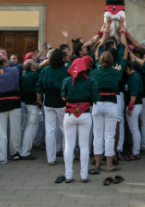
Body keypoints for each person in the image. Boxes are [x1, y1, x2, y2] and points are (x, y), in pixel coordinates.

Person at [59, 56, 99, 184]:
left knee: (69, 146)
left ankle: (68, 175)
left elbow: (63, 97)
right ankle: (84, 175)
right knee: (84, 146)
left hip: (70, 114)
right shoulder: (90, 81)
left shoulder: (67, 80)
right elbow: (96, 97)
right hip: (85, 114)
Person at [89, 52, 122, 173]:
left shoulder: (94, 72)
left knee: (97, 135)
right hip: (111, 103)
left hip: (97, 104)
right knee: (109, 135)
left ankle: (97, 163)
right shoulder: (116, 72)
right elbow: (118, 79)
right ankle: (109, 165)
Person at [36, 49, 69, 165]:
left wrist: (39, 100)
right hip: (62, 101)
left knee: (50, 130)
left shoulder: (45, 70)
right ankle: (67, 156)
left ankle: (51, 158)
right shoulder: (66, 70)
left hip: (48, 101)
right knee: (65, 129)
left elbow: (39, 86)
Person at [124, 60, 143, 160]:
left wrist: (130, 106)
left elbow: (134, 93)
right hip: (136, 105)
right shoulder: (134, 76)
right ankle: (135, 149)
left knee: (134, 129)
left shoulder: (134, 77)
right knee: (135, 129)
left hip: (134, 105)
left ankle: (136, 152)